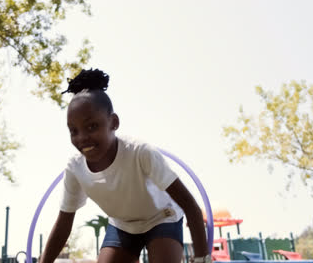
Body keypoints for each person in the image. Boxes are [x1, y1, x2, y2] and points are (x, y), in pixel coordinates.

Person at [39, 68, 210, 263]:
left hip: (161, 217)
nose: (82, 138)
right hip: (122, 225)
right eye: (73, 131)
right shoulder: (75, 169)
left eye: (92, 126)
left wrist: (201, 258)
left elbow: (190, 205)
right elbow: (63, 225)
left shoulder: (140, 153)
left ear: (113, 122)